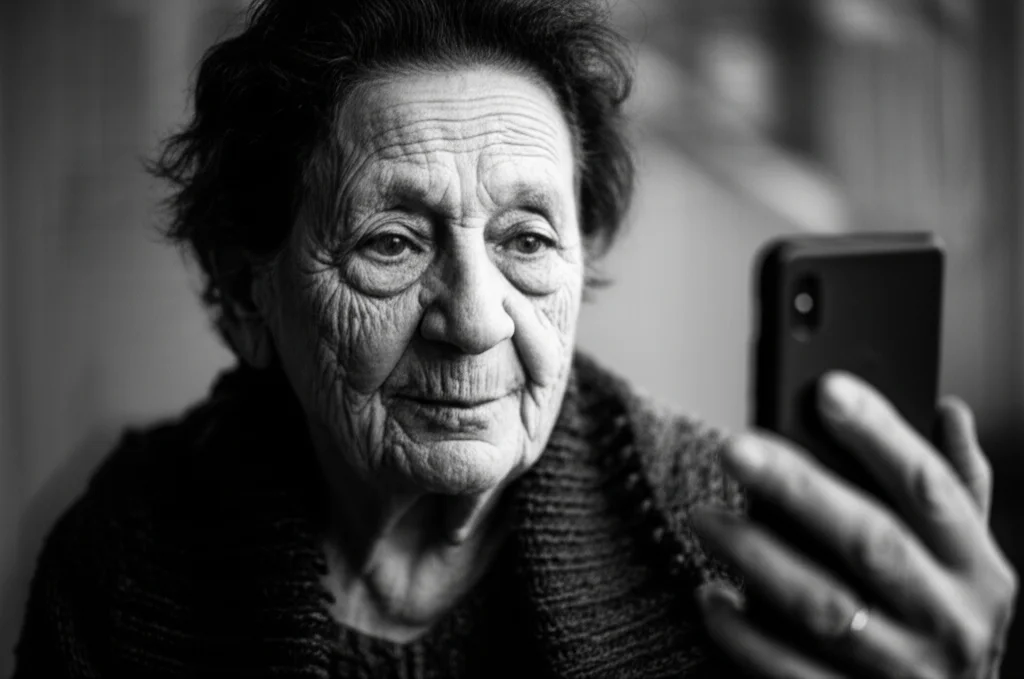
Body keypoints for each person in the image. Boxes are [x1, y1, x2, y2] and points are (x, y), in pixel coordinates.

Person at [13, 0, 1016, 676]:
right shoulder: (124, 560)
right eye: (393, 242)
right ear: (245, 296)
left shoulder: (730, 551)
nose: (477, 320)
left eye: (527, 239)